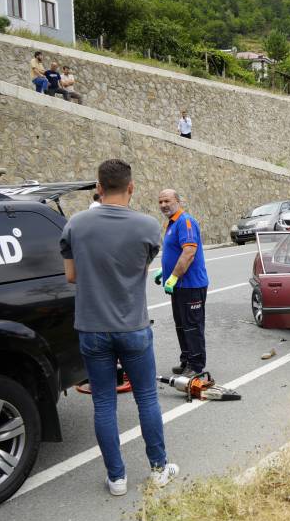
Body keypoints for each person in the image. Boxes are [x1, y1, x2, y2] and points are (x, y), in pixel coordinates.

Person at [59, 159, 179, 496]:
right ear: (131, 187)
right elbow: (139, 269)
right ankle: (158, 469)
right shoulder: (147, 226)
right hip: (133, 327)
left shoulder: (76, 224)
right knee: (146, 399)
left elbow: (71, 276)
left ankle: (116, 478)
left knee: (104, 404)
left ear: (98, 187)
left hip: (92, 328)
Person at [155, 189, 209, 377]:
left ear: (178, 201)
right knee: (181, 325)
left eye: (167, 201)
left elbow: (189, 253)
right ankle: (186, 360)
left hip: (191, 285)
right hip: (179, 286)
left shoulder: (185, 221)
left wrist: (174, 276)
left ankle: (196, 366)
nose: (163, 205)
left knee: (192, 326)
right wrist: (166, 271)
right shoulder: (172, 224)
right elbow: (177, 252)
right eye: (160, 202)